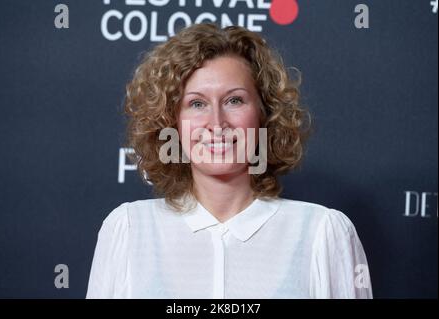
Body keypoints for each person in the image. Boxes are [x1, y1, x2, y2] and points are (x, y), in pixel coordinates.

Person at [86, 23, 373, 299]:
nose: (217, 123)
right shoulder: (129, 228)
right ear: (171, 123)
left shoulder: (323, 233)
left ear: (265, 114)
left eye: (234, 100)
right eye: (197, 104)